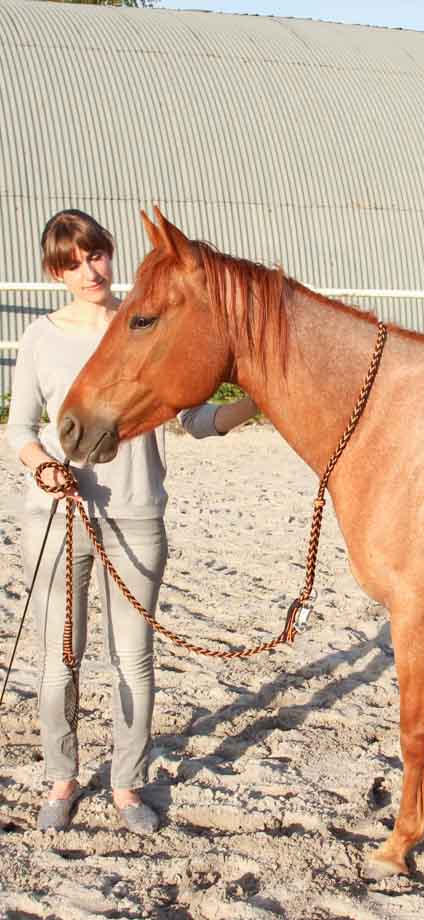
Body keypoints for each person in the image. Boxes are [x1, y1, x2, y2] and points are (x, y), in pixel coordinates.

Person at [6, 209, 259, 834]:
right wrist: (41, 465)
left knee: (133, 658)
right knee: (60, 656)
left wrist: (255, 399)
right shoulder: (41, 337)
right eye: (72, 262)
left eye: (95, 255)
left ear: (109, 255)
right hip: (60, 515)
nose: (88, 270)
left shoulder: (146, 326)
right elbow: (19, 428)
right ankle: (62, 777)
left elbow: (194, 420)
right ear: (55, 271)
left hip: (136, 512)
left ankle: (126, 782)